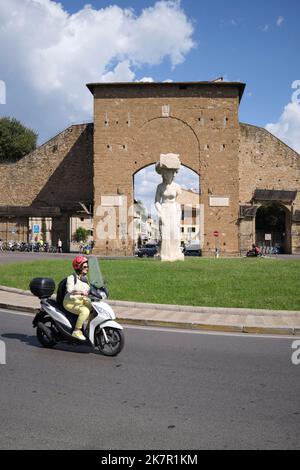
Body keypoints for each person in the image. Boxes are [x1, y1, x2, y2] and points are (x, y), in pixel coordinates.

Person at [63, 256, 91, 340]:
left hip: (80, 301)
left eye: (87, 266)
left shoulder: (85, 278)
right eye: (85, 267)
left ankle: (89, 329)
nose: (87, 268)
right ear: (79, 267)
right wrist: (81, 293)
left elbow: (89, 289)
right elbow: (70, 290)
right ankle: (76, 331)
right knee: (85, 311)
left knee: (93, 308)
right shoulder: (71, 278)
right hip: (70, 302)